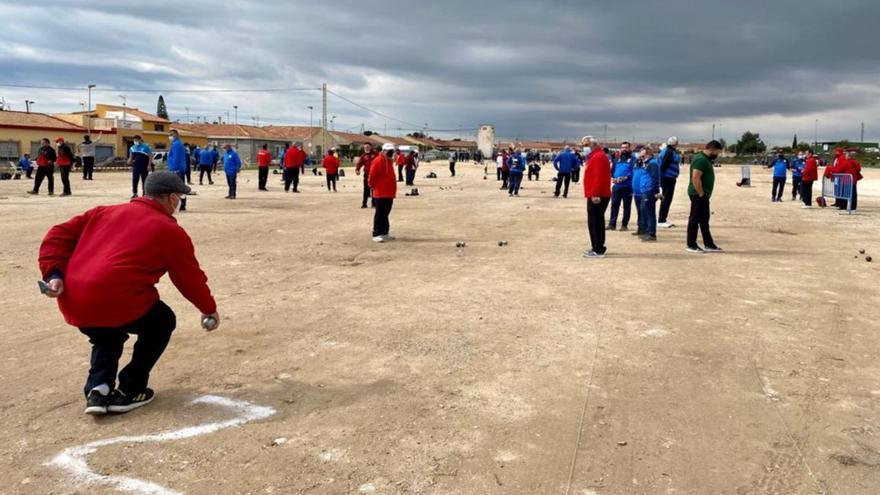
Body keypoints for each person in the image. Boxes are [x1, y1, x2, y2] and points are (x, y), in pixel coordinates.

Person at [37, 171, 218, 415]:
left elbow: (56, 236)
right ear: (173, 198)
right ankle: (131, 389)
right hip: (118, 300)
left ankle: (98, 389)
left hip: (76, 299)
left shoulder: (102, 212)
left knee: (106, 334)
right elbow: (189, 278)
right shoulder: (169, 230)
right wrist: (208, 308)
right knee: (162, 321)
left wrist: (53, 274)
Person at [686, 141, 724, 253]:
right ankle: (691, 244)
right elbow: (696, 178)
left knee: (704, 220)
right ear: (712, 149)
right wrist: (701, 194)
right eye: (717, 152)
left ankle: (709, 244)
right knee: (695, 219)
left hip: (702, 194)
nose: (718, 155)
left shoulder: (705, 159)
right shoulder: (701, 160)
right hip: (698, 194)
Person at [582, 136, 611, 258]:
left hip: (598, 194)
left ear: (592, 145)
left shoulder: (598, 157)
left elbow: (598, 177)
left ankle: (598, 249)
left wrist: (595, 194)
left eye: (585, 145)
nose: (584, 148)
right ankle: (597, 246)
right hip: (597, 193)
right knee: (596, 221)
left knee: (595, 222)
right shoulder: (595, 156)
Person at [369, 144, 398, 242]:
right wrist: (372, 186)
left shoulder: (390, 161)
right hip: (380, 192)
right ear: (383, 151)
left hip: (389, 192)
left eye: (392, 151)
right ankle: (376, 233)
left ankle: (385, 232)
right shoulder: (378, 160)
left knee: (386, 213)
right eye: (389, 151)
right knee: (380, 214)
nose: (391, 153)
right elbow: (372, 175)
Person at [608, 141, 636, 231]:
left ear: (629, 148)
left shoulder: (633, 159)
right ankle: (612, 224)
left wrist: (626, 177)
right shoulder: (616, 159)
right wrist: (613, 178)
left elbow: (634, 172)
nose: (624, 149)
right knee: (614, 205)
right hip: (617, 186)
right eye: (623, 147)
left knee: (626, 206)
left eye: (626, 147)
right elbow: (612, 171)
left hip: (628, 187)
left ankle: (624, 225)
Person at [637, 148, 661, 241]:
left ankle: (652, 234)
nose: (640, 156)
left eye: (642, 154)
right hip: (645, 190)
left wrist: (655, 191)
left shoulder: (652, 163)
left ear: (647, 154)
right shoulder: (646, 163)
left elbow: (655, 178)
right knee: (645, 211)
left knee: (650, 212)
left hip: (649, 191)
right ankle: (647, 232)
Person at [657, 137, 681, 228]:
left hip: (668, 178)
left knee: (667, 199)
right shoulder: (669, 152)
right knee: (666, 199)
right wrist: (660, 178)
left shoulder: (668, 150)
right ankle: (661, 220)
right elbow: (663, 165)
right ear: (675, 143)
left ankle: (663, 218)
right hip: (667, 178)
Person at [166, 130, 188, 211]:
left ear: (176, 135)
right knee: (179, 188)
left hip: (176, 169)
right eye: (169, 135)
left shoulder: (177, 144)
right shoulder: (176, 144)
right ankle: (181, 205)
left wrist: (175, 169)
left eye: (171, 135)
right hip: (177, 169)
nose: (170, 136)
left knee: (178, 188)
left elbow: (176, 158)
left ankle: (181, 205)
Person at [355, 142, 378, 208]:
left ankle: (374, 204)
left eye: (368, 147)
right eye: (365, 147)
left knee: (373, 189)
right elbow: (359, 164)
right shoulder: (363, 156)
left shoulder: (376, 154)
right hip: (367, 175)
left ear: (371, 147)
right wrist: (357, 170)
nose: (366, 148)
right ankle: (364, 203)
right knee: (366, 189)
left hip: (374, 175)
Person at [631, 152, 647, 236]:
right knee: (639, 212)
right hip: (636, 193)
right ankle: (640, 228)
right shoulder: (635, 165)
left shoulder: (649, 165)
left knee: (645, 211)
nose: (640, 158)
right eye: (639, 156)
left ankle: (646, 229)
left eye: (642, 156)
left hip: (644, 192)